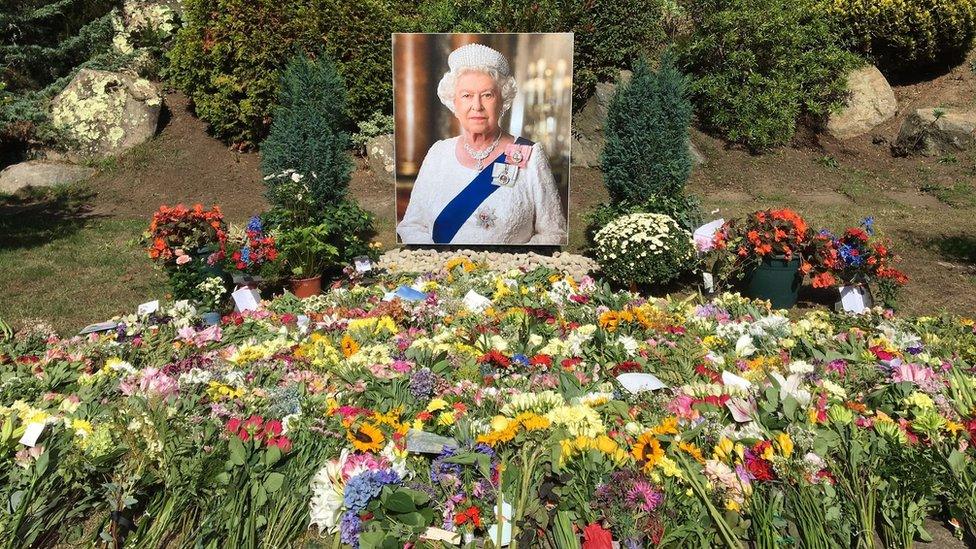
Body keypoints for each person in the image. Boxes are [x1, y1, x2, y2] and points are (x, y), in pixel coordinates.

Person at [397, 43, 567, 245]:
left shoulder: (529, 154)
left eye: (487, 95)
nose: (476, 106)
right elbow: (412, 226)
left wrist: (513, 266)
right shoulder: (438, 154)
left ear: (502, 101)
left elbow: (553, 233)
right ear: (455, 103)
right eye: (467, 95)